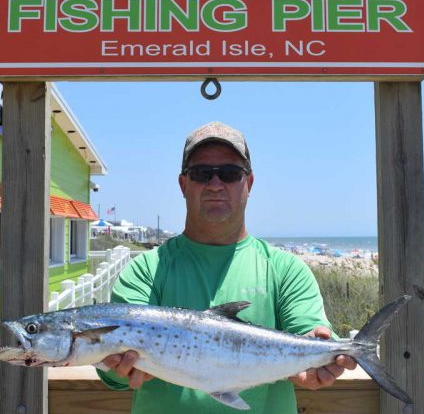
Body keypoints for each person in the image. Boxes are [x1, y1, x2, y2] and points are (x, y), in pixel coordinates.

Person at [97, 121, 356, 413]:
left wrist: (321, 356)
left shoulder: (286, 270)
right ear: (183, 184)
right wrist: (114, 367)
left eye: (230, 174)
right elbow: (115, 377)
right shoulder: (145, 269)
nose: (215, 184)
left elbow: (309, 331)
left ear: (250, 183)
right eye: (201, 173)